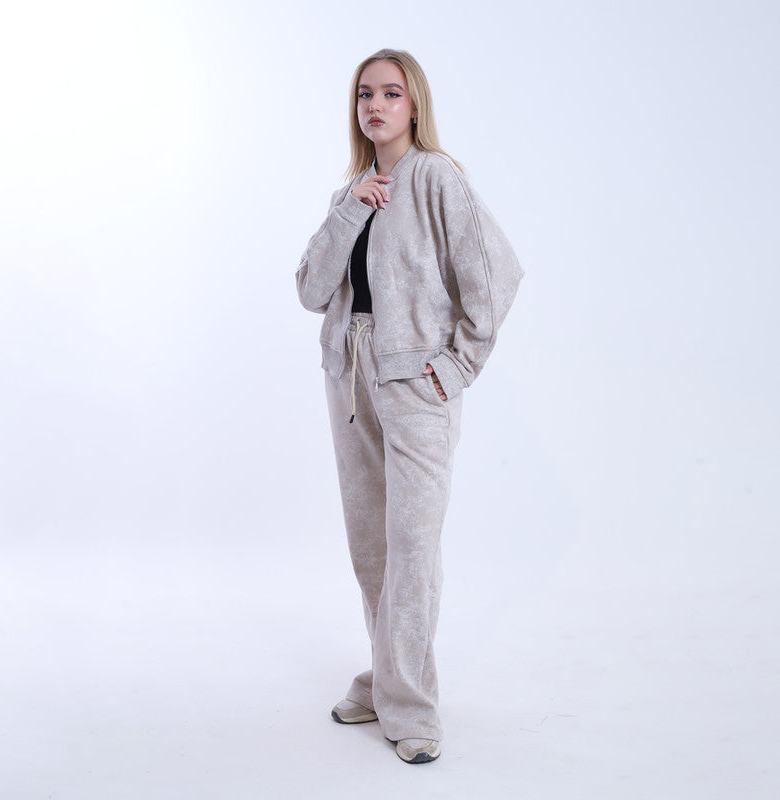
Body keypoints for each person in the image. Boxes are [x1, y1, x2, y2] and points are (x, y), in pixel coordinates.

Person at [295, 48, 523, 764]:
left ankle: (412, 708)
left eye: (391, 93)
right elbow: (310, 290)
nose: (376, 105)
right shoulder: (350, 192)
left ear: (414, 104)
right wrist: (350, 212)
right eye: (365, 94)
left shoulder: (436, 177)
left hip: (416, 383)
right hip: (350, 379)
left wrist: (458, 365)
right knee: (372, 544)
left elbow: (497, 274)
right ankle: (387, 678)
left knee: (414, 548)